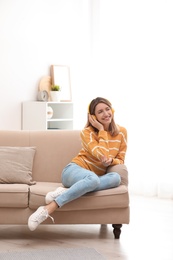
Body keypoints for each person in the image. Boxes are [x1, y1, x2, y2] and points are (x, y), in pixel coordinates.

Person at [28, 97, 128, 231]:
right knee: (92, 179)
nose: (106, 114)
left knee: (116, 177)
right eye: (100, 112)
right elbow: (101, 153)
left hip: (92, 180)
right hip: (73, 171)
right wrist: (102, 130)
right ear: (92, 117)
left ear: (112, 110)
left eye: (107, 109)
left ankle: (68, 191)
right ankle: (48, 208)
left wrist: (112, 161)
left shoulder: (122, 132)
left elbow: (121, 159)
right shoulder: (86, 132)